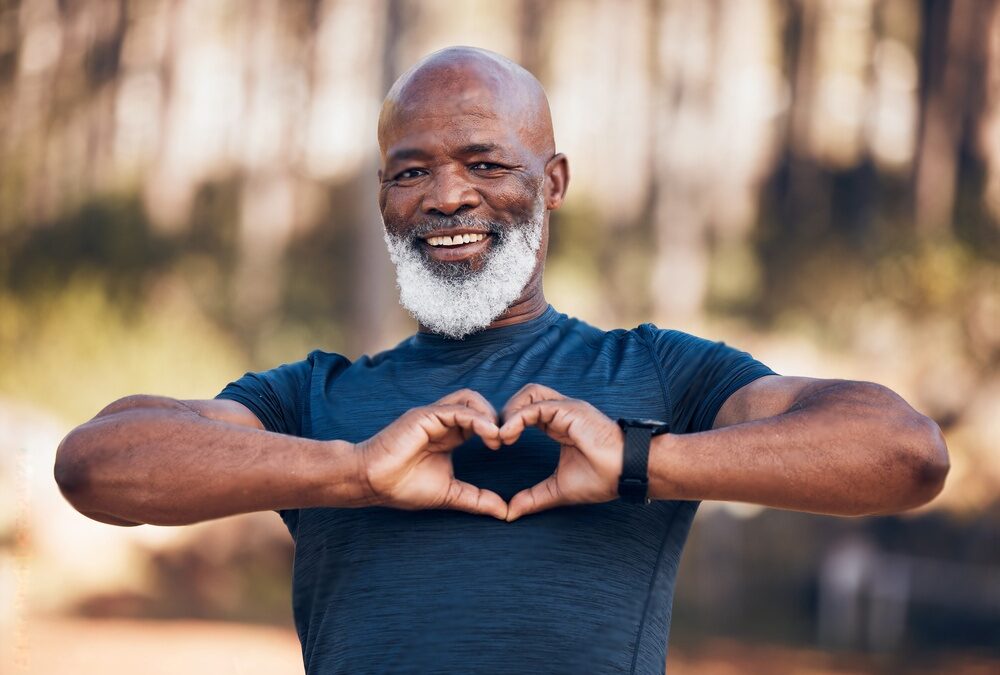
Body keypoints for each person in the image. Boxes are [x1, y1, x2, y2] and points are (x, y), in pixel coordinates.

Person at [54, 46, 950, 674]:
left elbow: (903, 453)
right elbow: (97, 467)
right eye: (410, 172)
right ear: (383, 197)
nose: (447, 196)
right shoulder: (311, 397)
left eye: (485, 161)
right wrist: (356, 470)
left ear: (552, 183)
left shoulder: (663, 375)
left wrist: (642, 460)